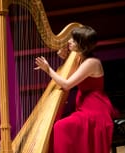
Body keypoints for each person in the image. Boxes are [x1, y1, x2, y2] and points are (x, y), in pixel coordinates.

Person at [35, 25, 119, 153]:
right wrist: (65, 58)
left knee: (60, 126)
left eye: (73, 40)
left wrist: (48, 69)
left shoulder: (91, 63)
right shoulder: (80, 58)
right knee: (60, 126)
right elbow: (70, 74)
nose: (69, 41)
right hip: (85, 106)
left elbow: (67, 84)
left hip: (95, 109)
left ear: (82, 45)